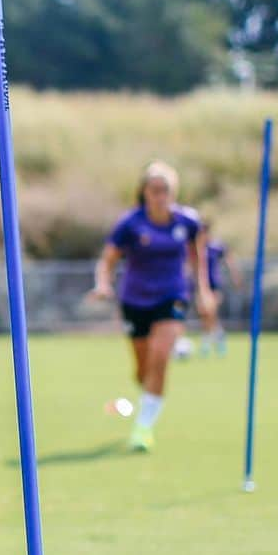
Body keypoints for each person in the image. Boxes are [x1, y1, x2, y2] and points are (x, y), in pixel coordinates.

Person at [91, 161, 212, 452]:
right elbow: (108, 260)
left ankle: (142, 429)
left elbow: (198, 259)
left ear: (174, 191)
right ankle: (147, 397)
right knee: (142, 370)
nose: (160, 195)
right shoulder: (130, 224)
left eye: (165, 190)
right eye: (154, 189)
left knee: (160, 357)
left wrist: (203, 292)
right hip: (135, 300)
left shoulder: (187, 222)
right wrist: (103, 283)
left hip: (171, 296)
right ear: (144, 191)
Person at [197, 221, 243, 356]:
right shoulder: (197, 247)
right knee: (205, 313)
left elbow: (229, 260)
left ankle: (207, 341)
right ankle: (218, 334)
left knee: (210, 311)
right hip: (201, 285)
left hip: (214, 284)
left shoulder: (216, 246)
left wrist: (235, 276)